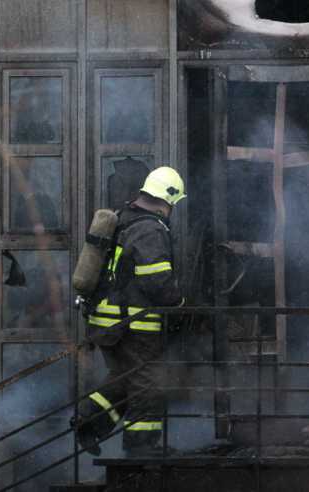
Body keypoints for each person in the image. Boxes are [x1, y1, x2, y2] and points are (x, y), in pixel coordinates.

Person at [74, 166, 186, 456]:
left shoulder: (123, 218)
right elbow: (157, 282)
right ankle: (141, 447)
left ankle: (89, 420)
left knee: (124, 376)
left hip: (107, 320)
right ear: (169, 199)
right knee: (148, 382)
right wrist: (180, 304)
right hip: (133, 325)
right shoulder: (151, 229)